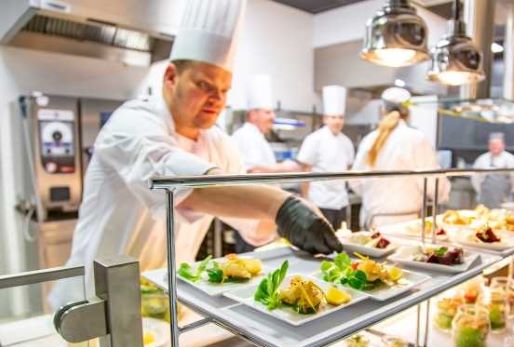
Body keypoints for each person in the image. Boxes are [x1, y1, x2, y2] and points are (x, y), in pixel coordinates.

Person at [49, 0, 340, 308]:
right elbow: (180, 183)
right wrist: (281, 206)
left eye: (225, 90)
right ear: (170, 77)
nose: (217, 99)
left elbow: (253, 225)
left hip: (166, 303)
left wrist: (292, 223)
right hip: (94, 304)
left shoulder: (219, 145)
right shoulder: (131, 122)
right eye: (204, 85)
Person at [351, 87, 450, 229]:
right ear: (408, 113)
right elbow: (434, 184)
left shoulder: (369, 139)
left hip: (372, 220)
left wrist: (372, 196)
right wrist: (443, 196)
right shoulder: (416, 138)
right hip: (405, 223)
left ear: (382, 110)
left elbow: (355, 181)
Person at [296, 85, 355, 229]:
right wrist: (306, 200)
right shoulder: (314, 139)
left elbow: (348, 168)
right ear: (325, 119)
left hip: (341, 201)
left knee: (341, 237)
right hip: (319, 201)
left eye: (340, 117)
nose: (337, 121)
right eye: (333, 117)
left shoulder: (346, 141)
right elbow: (305, 170)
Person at [231, 74, 277, 172]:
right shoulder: (246, 136)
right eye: (268, 112)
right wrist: (285, 167)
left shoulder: (257, 136)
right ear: (253, 115)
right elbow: (253, 170)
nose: (273, 117)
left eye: (273, 112)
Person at [471, 132, 514, 208]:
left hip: (504, 199)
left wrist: (513, 191)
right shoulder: (482, 159)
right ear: (489, 146)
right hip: (485, 200)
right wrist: (480, 192)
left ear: (503, 145)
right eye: (492, 145)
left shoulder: (511, 159)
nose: (495, 147)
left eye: (497, 144)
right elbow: (475, 178)